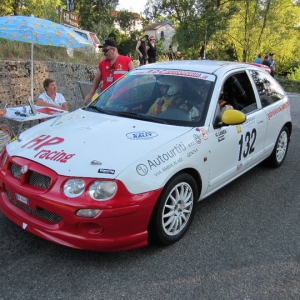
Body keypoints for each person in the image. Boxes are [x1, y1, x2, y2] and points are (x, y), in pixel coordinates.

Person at [84, 39, 134, 104]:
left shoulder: (127, 61)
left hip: (122, 99)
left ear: (113, 50)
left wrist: (133, 97)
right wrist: (91, 94)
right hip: (105, 99)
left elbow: (133, 79)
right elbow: (97, 80)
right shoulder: (102, 64)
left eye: (105, 50)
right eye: (103, 51)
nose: (104, 53)